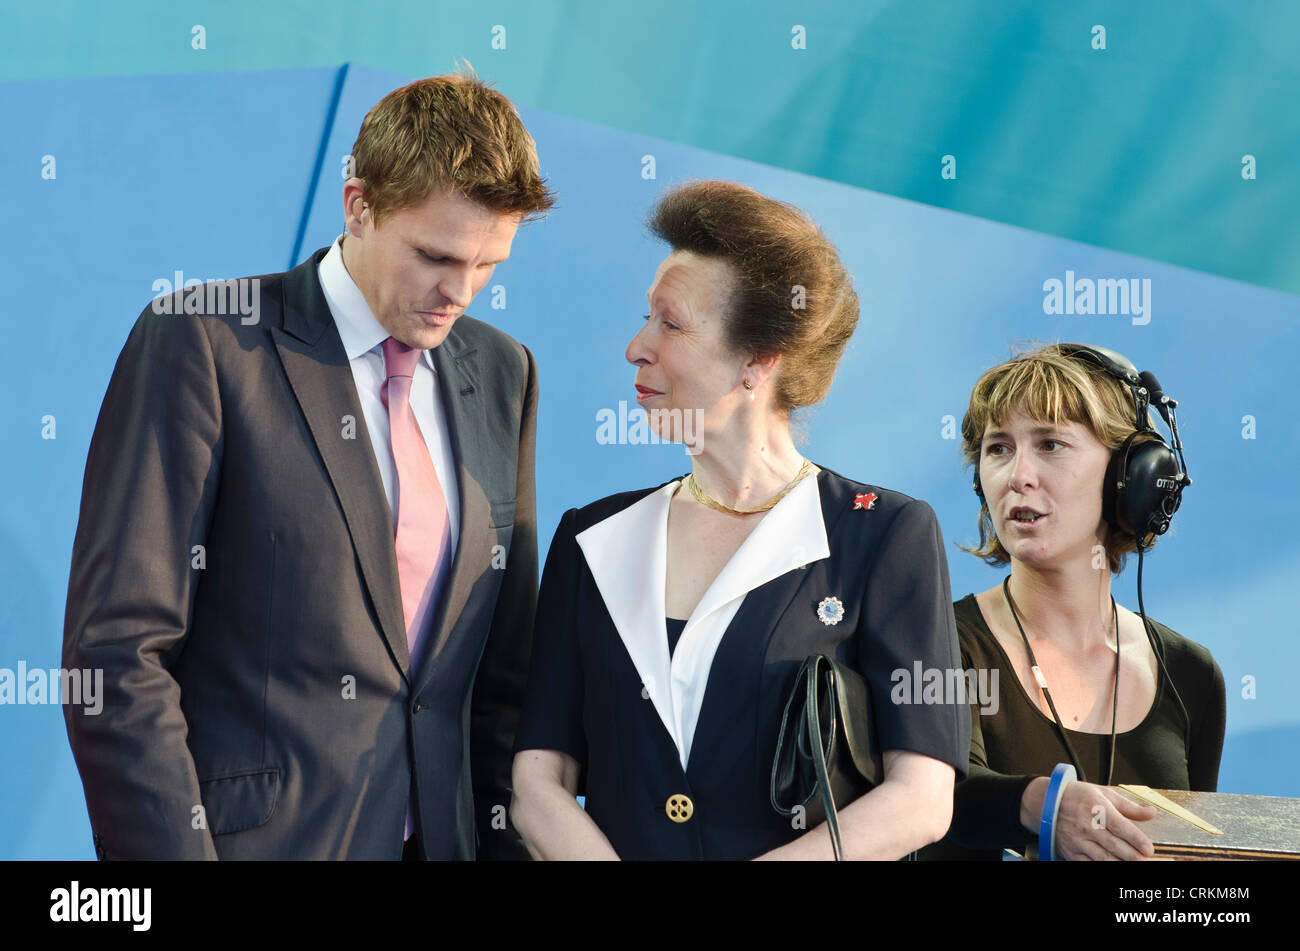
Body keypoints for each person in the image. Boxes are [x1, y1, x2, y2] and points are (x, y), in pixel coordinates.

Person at [61, 70, 555, 860]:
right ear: (358, 205)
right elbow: (118, 655)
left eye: (490, 265)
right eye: (435, 255)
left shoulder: (504, 371)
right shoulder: (206, 341)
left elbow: (503, 674)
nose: (459, 292)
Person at [509, 180, 969, 860]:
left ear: (760, 357)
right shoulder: (593, 538)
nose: (636, 347)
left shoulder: (884, 533)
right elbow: (536, 778)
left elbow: (923, 795)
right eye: (645, 318)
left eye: (670, 323)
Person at [927, 343, 1226, 861]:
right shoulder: (937, 643)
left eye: (1050, 445)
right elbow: (940, 791)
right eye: (998, 448)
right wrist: (1041, 806)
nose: (1018, 475)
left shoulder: (1190, 673)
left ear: (1128, 478)